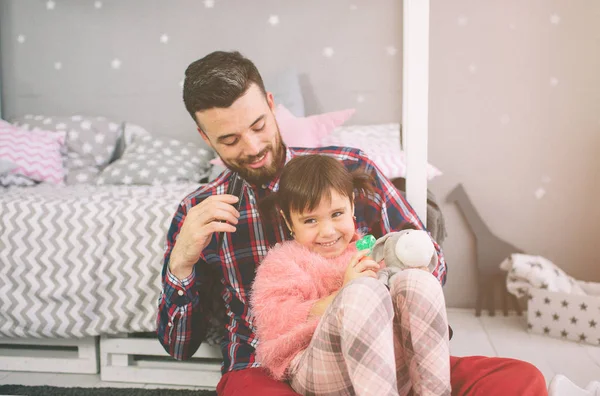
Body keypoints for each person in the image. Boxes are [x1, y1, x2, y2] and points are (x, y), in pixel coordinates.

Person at [157, 50, 548, 396]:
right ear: (204, 136)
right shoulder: (199, 213)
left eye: (259, 126)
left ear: (272, 105)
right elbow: (178, 346)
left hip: (387, 356)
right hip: (273, 372)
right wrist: (181, 263)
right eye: (229, 140)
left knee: (520, 381)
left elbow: (431, 268)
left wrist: (392, 274)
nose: (253, 147)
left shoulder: (351, 168)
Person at [251, 154, 451, 395]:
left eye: (337, 214)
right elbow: (278, 320)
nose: (328, 231)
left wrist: (407, 278)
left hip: (386, 362)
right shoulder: (282, 262)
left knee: (418, 281)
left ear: (352, 207)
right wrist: (343, 294)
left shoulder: (369, 249)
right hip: (319, 367)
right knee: (363, 291)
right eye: (311, 220)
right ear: (289, 221)